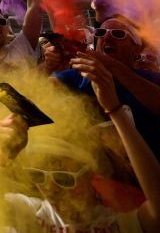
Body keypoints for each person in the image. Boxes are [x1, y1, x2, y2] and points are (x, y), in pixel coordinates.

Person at [0, 47, 160, 232]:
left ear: (91, 177)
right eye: (38, 176)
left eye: (64, 179)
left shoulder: (114, 225)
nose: (50, 188)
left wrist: (114, 110)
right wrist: (3, 155)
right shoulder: (32, 213)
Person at [52, 15, 160, 158]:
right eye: (101, 33)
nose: (107, 38)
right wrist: (48, 65)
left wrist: (113, 67)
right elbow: (44, 89)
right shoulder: (78, 76)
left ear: (136, 48)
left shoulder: (152, 79)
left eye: (118, 34)